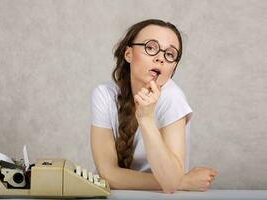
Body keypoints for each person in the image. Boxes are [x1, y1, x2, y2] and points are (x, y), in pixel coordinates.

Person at [90, 19, 218, 193]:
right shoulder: (104, 95)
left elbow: (170, 182)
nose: (160, 58)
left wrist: (146, 119)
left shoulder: (173, 97)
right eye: (151, 48)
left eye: (170, 54)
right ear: (128, 54)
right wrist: (184, 182)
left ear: (173, 68)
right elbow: (108, 174)